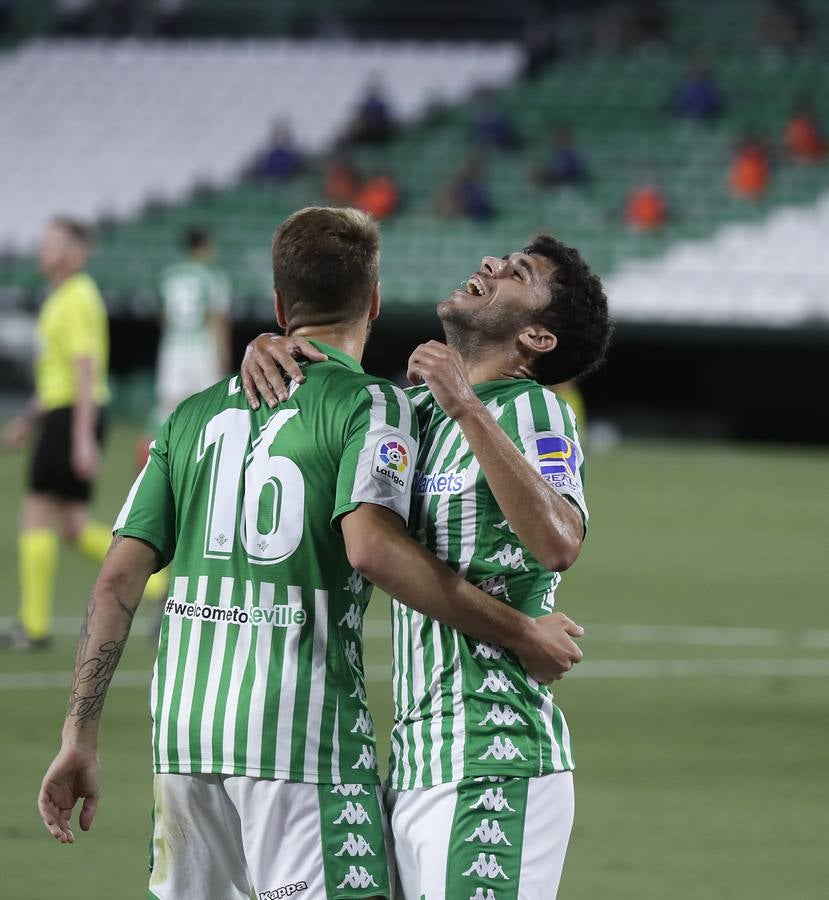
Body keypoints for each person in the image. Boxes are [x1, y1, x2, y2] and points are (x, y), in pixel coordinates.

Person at [37, 208, 584, 900]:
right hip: (307, 744)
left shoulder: (191, 414)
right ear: (376, 303)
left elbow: (117, 576)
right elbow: (371, 548)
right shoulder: (382, 407)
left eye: (518, 270)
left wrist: (78, 731)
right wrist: (522, 633)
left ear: (276, 305)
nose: (490, 267)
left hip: (184, 740)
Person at [241, 233, 612, 897]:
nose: (492, 264)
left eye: (518, 272)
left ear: (538, 339)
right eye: (502, 257)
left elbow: (560, 540)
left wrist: (467, 405)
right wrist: (271, 350)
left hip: (494, 754)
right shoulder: (412, 415)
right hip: (412, 762)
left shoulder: (533, 408)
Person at [2, 218, 117, 649]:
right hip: (63, 413)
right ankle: (160, 586)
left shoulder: (78, 296)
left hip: (73, 416)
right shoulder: (61, 296)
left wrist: (82, 436)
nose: (42, 249)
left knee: (35, 512)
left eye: (52, 243)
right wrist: (30, 418)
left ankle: (33, 627)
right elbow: (59, 372)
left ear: (74, 251)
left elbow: (85, 367)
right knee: (71, 526)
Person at [155, 227, 232, 425]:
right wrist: (224, 353)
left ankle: (165, 451)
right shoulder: (212, 275)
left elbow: (163, 315)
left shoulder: (169, 275)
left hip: (173, 346)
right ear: (203, 246)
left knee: (169, 407)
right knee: (209, 406)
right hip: (203, 346)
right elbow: (217, 317)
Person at [729, 134, 771, 199]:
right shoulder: (742, 161)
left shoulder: (757, 158)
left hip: (754, 189)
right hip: (747, 189)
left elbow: (765, 176)